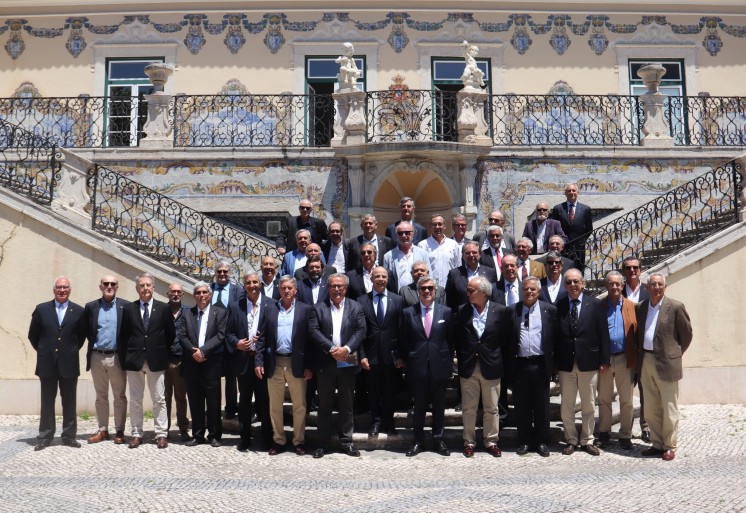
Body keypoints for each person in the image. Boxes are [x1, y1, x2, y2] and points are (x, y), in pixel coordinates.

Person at [308, 273, 366, 458]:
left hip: (347, 361)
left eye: (340, 286)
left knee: (346, 403)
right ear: (328, 288)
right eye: (333, 285)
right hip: (326, 361)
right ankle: (322, 443)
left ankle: (346, 442)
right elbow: (313, 330)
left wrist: (347, 349)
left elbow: (361, 330)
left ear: (346, 288)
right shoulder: (318, 308)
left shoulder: (356, 307)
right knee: (324, 404)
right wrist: (332, 348)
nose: (337, 289)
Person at [636, 273, 692, 462]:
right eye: (653, 284)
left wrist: (674, 354)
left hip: (667, 362)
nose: (657, 287)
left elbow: (687, 335)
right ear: (647, 287)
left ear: (665, 287)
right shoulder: (641, 307)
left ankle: (669, 445)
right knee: (651, 407)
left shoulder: (675, 307)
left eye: (660, 284)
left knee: (669, 406)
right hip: (646, 360)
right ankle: (657, 442)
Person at [255, 276, 313, 456]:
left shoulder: (305, 310)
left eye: (289, 288)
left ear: (295, 290)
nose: (286, 291)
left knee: (299, 405)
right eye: (283, 288)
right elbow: (262, 337)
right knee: (275, 405)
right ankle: (279, 440)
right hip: (275, 362)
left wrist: (309, 365)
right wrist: (258, 361)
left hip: (297, 362)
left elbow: (311, 340)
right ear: (279, 290)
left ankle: (298, 441)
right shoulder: (270, 309)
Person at [119, 272, 178, 449]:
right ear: (137, 289)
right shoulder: (129, 309)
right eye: (141, 285)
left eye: (148, 285)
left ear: (153, 287)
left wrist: (164, 356)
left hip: (156, 360)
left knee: (159, 399)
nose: (145, 288)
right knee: (136, 400)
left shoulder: (163, 309)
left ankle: (161, 434)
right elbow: (123, 336)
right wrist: (125, 360)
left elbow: (171, 334)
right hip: (134, 361)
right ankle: (136, 433)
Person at [555, 269, 610, 456]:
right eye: (569, 282)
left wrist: (604, 360)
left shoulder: (594, 305)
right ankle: (571, 439)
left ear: (583, 284)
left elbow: (603, 333)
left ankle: (587, 440)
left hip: (589, 362)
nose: (573, 285)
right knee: (567, 405)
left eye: (576, 282)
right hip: (566, 364)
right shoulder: (559, 306)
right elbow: (555, 336)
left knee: (588, 404)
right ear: (565, 286)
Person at [398, 276, 454, 457]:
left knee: (439, 406)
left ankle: (438, 439)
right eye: (423, 289)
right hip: (417, 366)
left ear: (435, 291)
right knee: (419, 406)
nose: (427, 291)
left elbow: (450, 340)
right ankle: (418, 441)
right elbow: (403, 340)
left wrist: (446, 361)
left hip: (439, 366)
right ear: (418, 291)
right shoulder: (408, 313)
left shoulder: (445, 312)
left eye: (430, 288)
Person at [28, 276, 86, 451]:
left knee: (69, 401)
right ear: (54, 290)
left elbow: (81, 337)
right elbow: (33, 335)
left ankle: (69, 436)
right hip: (47, 363)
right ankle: (45, 436)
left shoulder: (78, 311)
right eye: (59, 287)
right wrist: (44, 350)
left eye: (65, 287)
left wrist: (70, 350)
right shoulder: (41, 309)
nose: (62, 290)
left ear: (70, 290)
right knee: (47, 401)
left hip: (69, 363)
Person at [454, 276, 509, 457]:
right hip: (469, 366)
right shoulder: (462, 310)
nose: (467, 293)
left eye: (471, 290)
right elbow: (458, 339)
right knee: (469, 407)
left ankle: (491, 440)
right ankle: (469, 441)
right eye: (467, 290)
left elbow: (505, 340)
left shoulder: (500, 311)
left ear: (483, 293)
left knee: (492, 407)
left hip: (491, 365)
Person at [507, 276, 556, 457]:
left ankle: (542, 441)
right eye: (526, 289)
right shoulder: (513, 310)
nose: (529, 292)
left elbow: (554, 339)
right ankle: (525, 440)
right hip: (520, 364)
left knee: (542, 405)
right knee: (522, 405)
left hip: (540, 363)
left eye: (532, 289)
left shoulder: (549, 310)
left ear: (539, 291)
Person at [226, 272, 274, 451]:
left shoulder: (271, 305)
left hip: (264, 362)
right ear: (244, 285)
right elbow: (228, 333)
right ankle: (244, 438)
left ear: (260, 284)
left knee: (265, 401)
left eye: (255, 282)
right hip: (244, 361)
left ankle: (267, 438)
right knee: (245, 402)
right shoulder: (235, 306)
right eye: (248, 283)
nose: (252, 285)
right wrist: (237, 343)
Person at [177, 282, 227, 447]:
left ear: (210, 294)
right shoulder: (187, 314)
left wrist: (204, 351)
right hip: (192, 364)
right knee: (195, 401)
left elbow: (221, 335)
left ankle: (214, 435)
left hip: (211, 363)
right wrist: (194, 353)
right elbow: (182, 336)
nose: (201, 295)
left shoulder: (219, 313)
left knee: (213, 402)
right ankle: (198, 435)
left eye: (205, 292)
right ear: (194, 295)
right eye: (198, 292)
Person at [357, 266, 405, 437]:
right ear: (371, 279)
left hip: (391, 356)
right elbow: (359, 332)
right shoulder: (361, 301)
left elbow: (401, 330)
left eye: (383, 276)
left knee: (390, 391)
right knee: (374, 391)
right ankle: (376, 422)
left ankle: (389, 422)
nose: (380, 279)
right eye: (377, 276)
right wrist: (361, 355)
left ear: (387, 279)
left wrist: (400, 355)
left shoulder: (398, 300)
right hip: (370, 355)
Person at [83, 275, 129, 445]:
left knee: (119, 395)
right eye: (106, 283)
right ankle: (102, 430)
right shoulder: (91, 307)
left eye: (113, 284)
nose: (109, 286)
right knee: (100, 396)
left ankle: (119, 430)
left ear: (117, 287)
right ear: (100, 286)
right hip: (97, 355)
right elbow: (86, 330)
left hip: (117, 356)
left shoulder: (126, 306)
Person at [596, 271, 637, 450]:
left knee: (626, 400)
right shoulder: (599, 306)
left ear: (622, 286)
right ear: (607, 286)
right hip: (605, 360)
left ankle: (625, 435)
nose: (614, 287)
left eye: (617, 284)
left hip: (624, 358)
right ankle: (604, 432)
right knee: (604, 398)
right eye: (611, 284)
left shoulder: (632, 306)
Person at [621, 255, 651, 442]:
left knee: (645, 390)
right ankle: (626, 428)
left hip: (643, 350)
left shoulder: (648, 292)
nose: (632, 271)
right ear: (623, 271)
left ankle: (646, 426)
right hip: (623, 349)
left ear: (640, 270)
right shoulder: (617, 290)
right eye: (628, 268)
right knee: (625, 392)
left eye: (635, 268)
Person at [210, 260, 244, 421]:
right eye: (219, 271)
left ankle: (231, 408)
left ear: (230, 273)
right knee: (213, 377)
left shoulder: (238, 291)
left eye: (225, 271)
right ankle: (214, 410)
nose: (222, 274)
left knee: (231, 377)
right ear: (215, 274)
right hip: (212, 340)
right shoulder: (208, 290)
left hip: (231, 340)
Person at [164, 283, 190, 441]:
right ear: (168, 294)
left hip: (182, 361)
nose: (175, 294)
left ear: (182, 294)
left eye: (178, 292)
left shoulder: (188, 312)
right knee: (165, 397)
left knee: (181, 397)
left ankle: (183, 428)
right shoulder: (161, 310)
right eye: (172, 291)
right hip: (164, 361)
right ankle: (163, 430)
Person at [445, 241, 498, 311]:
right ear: (463, 256)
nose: (471, 255)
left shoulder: (490, 272)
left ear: (479, 254)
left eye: (474, 252)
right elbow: (449, 299)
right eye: (467, 253)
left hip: (485, 316)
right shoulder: (454, 274)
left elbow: (494, 296)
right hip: (463, 317)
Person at [551, 183, 593, 269]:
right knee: (563, 269)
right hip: (563, 247)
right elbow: (554, 228)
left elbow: (589, 229)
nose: (571, 192)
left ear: (578, 192)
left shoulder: (585, 209)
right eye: (569, 191)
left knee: (579, 269)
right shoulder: (558, 209)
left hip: (579, 247)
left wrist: (581, 240)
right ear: (565, 193)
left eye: (574, 190)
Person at [382, 221, 431, 293]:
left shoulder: (423, 254)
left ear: (413, 234)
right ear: (396, 236)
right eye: (400, 233)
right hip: (397, 297)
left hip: (418, 296)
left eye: (407, 233)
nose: (404, 235)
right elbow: (385, 280)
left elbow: (429, 276)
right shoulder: (388, 256)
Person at [417, 213, 461, 290]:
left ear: (444, 226)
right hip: (430, 289)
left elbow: (458, 267)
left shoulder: (453, 244)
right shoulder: (422, 245)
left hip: (450, 288)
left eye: (440, 224)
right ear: (430, 226)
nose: (437, 227)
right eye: (434, 224)